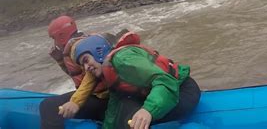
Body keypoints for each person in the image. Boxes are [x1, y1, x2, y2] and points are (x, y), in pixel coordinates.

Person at [72, 32, 201, 129]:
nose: (86, 68)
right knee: (123, 108)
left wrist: (148, 110)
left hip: (182, 90)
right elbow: (114, 108)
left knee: (131, 117)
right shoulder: (108, 70)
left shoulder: (123, 59)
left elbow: (165, 81)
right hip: (163, 92)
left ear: (98, 51)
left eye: (86, 60)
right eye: (82, 66)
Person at [40, 16, 110, 129]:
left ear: (61, 36)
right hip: (99, 96)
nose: (54, 42)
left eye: (54, 38)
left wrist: (75, 102)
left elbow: (90, 79)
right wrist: (60, 61)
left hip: (101, 100)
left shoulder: (75, 48)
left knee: (47, 106)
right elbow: (78, 76)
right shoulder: (81, 42)